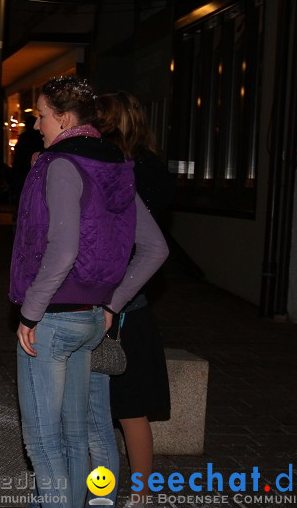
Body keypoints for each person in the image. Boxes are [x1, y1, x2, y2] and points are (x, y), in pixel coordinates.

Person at [9, 76, 168, 508]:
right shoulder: (115, 164)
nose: (36, 125)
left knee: (44, 443)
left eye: (40, 116)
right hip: (91, 318)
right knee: (79, 436)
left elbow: (62, 250)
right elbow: (155, 248)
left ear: (62, 117)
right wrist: (113, 304)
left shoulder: (62, 165)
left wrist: (30, 312)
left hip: (54, 319)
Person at [88, 91, 174, 507]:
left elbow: (144, 241)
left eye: (97, 119)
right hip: (122, 297)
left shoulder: (134, 170)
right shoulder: (141, 165)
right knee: (112, 407)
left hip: (124, 303)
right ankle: (120, 490)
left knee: (127, 405)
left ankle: (140, 492)